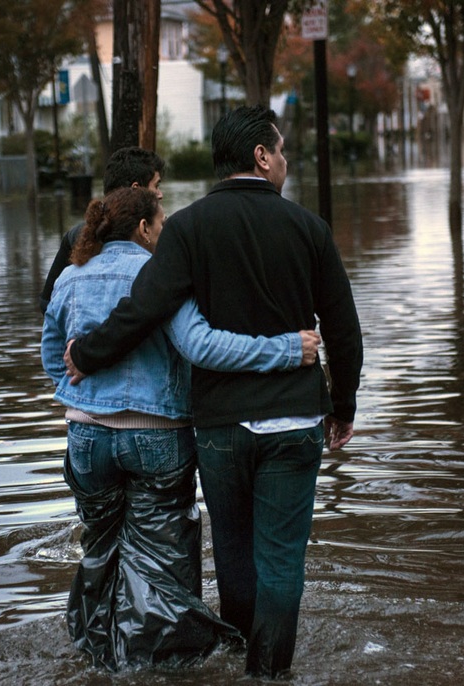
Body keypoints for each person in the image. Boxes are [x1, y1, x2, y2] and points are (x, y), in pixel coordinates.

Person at [63, 105, 363, 679]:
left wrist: (88, 353)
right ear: (260, 156)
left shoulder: (189, 228)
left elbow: (145, 306)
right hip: (295, 420)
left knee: (234, 556)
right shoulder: (309, 228)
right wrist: (342, 406)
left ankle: (233, 660)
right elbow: (344, 334)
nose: (285, 162)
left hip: (220, 426)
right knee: (281, 561)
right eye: (281, 151)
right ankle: (267, 673)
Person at [41, 185, 322, 671]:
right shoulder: (160, 274)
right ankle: (163, 668)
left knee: (101, 550)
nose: (167, 231)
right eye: (163, 222)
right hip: (155, 436)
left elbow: (51, 356)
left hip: (85, 439)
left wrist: (86, 399)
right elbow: (199, 347)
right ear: (145, 228)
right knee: (163, 568)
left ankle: (99, 657)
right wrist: (287, 350)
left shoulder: (70, 274)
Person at [39, 146, 165, 313]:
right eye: (156, 185)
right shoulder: (158, 235)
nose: (160, 194)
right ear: (136, 189)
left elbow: (47, 303)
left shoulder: (79, 234)